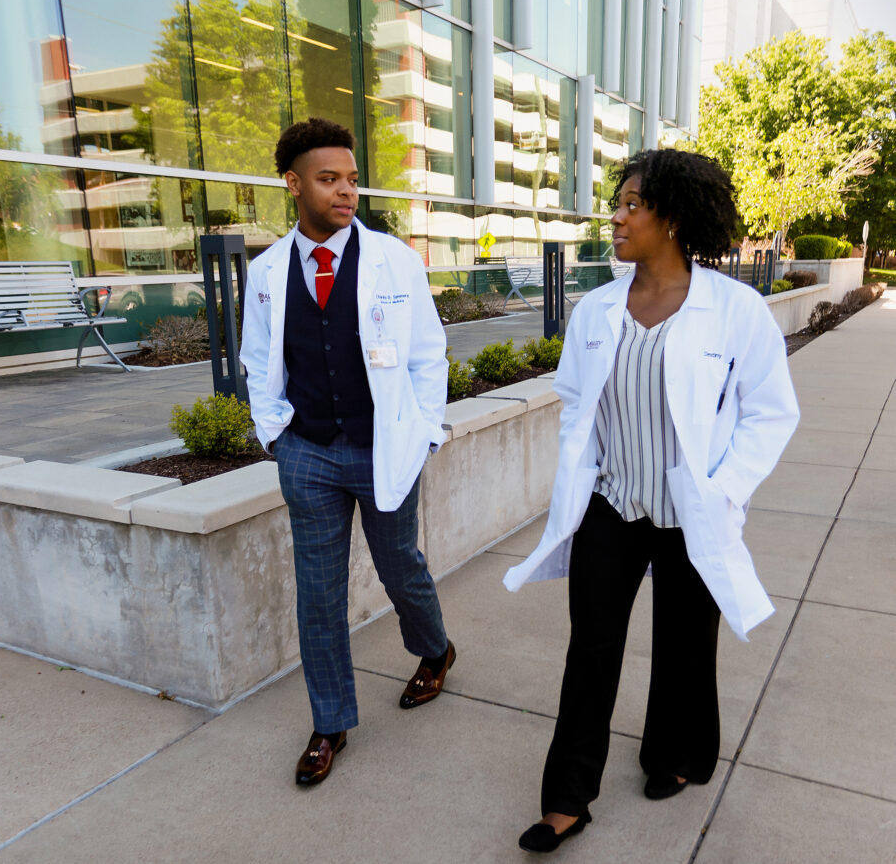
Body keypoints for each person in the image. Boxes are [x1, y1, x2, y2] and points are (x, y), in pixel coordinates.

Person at [504, 148, 799, 854]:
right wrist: (582, 473)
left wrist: (725, 491)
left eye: (633, 204)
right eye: (619, 202)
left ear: (672, 216)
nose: (617, 215)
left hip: (691, 509)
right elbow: (578, 401)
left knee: (685, 645)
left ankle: (672, 754)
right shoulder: (600, 307)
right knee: (591, 648)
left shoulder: (734, 310)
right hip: (613, 504)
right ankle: (567, 798)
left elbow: (771, 412)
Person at [241, 117, 455, 787]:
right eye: (329, 179)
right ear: (293, 184)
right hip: (306, 454)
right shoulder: (268, 272)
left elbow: (428, 356)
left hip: (383, 448)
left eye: (352, 179)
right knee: (319, 596)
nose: (346, 192)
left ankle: (435, 649)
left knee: (402, 569)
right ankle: (329, 723)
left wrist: (422, 433)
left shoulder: (394, 259)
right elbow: (258, 361)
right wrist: (277, 437)